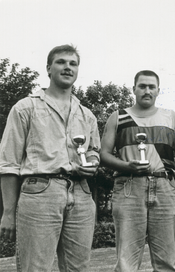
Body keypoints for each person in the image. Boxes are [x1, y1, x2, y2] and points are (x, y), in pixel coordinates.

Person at [0, 44, 100, 271]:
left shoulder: (87, 114)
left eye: (73, 63)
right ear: (48, 68)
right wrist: (8, 212)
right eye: (61, 62)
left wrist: (92, 163)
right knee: (35, 267)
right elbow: (8, 163)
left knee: (78, 268)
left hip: (82, 194)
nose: (68, 67)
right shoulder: (25, 108)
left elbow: (94, 151)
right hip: (40, 192)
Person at [100, 70, 175, 272]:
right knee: (126, 263)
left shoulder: (170, 116)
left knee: (166, 261)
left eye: (151, 87)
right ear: (134, 89)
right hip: (129, 187)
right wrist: (126, 166)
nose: (147, 90)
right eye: (142, 86)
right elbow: (103, 154)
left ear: (158, 90)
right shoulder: (118, 117)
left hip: (165, 187)